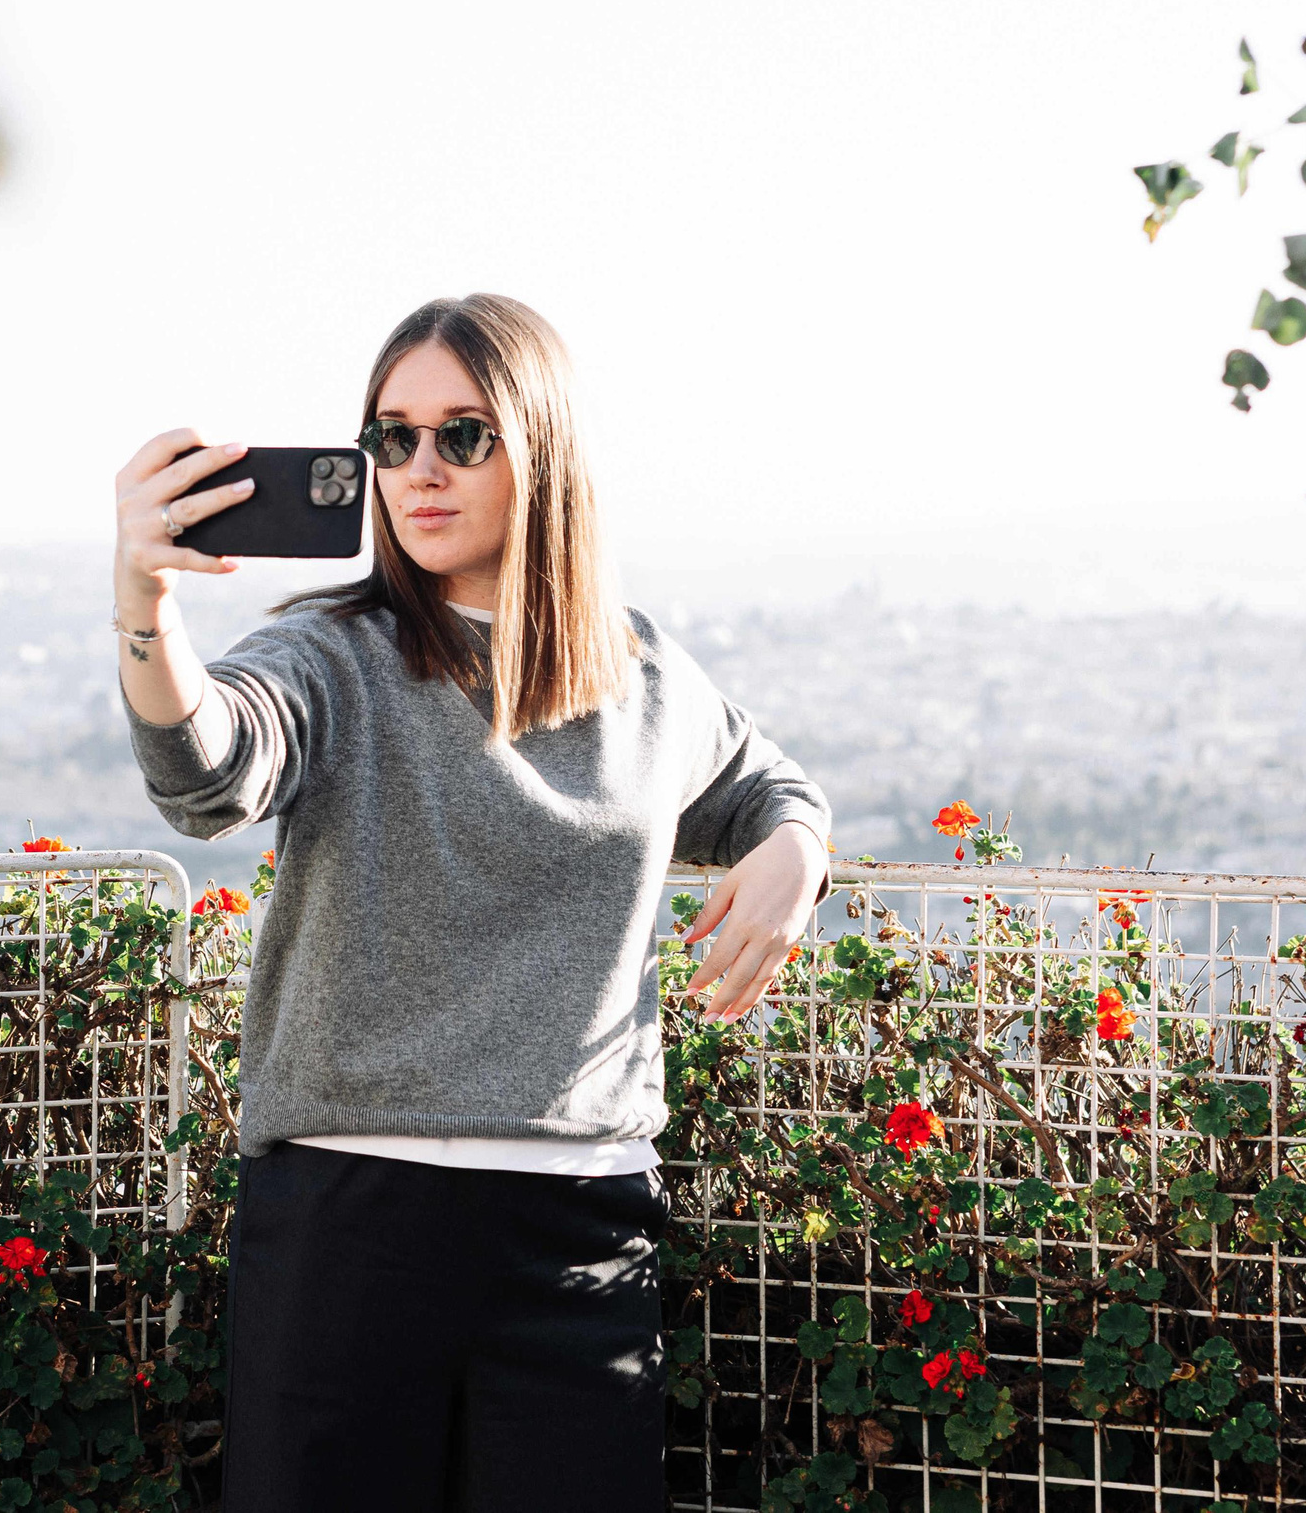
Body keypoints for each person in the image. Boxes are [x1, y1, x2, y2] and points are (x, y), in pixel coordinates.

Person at [109, 294, 832, 1512]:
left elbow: (767, 786)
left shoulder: (641, 672)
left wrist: (797, 849)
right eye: (391, 438)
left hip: (581, 1234)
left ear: (541, 451)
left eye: (463, 434)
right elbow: (210, 773)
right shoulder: (329, 655)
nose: (418, 470)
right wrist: (144, 604)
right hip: (349, 1226)